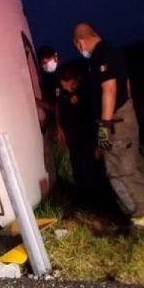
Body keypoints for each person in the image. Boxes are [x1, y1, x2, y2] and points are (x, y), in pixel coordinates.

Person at [72, 22, 144, 228]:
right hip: (124, 116)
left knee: (120, 170)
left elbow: (110, 90)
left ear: (80, 42)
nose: (80, 50)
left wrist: (104, 126)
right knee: (135, 165)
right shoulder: (113, 52)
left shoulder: (101, 56)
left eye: (78, 46)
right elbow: (127, 86)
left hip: (115, 121)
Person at [54, 62, 105, 204]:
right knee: (77, 167)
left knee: (95, 168)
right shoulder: (61, 90)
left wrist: (101, 143)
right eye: (65, 86)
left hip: (89, 134)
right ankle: (85, 200)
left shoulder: (89, 90)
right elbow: (58, 105)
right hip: (72, 136)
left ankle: (102, 202)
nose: (68, 89)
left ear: (78, 79)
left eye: (71, 85)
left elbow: (100, 116)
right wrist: (60, 128)